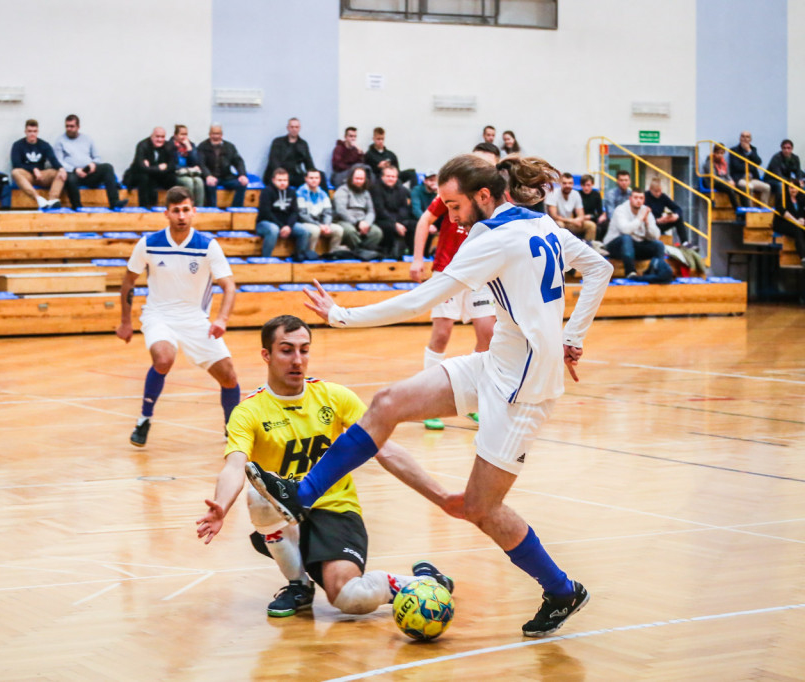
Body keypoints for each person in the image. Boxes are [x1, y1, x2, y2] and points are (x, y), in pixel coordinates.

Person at [245, 153, 613, 639]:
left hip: (523, 389)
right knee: (387, 403)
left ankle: (563, 590)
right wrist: (573, 336)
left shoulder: (496, 239)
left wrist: (341, 316)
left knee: (481, 510)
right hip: (498, 363)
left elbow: (419, 300)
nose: (450, 214)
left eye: (455, 204)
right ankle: (302, 494)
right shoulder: (536, 225)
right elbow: (600, 267)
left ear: (484, 196)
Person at [196, 315, 455, 617]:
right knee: (258, 494)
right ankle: (298, 586)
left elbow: (386, 451)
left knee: (350, 598)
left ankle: (424, 581)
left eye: (304, 350)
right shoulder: (248, 412)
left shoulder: (334, 397)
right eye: (286, 350)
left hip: (334, 509)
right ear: (266, 355)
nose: (297, 360)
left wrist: (442, 497)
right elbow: (234, 466)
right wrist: (222, 506)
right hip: (287, 515)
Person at [116, 186, 240, 447]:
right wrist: (126, 322)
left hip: (196, 319)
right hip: (158, 315)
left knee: (229, 376)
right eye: (176, 211)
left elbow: (229, 285)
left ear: (194, 212)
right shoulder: (148, 243)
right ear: (166, 214)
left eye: (186, 210)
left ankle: (233, 430)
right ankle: (144, 420)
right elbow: (128, 282)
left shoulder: (208, 246)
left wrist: (222, 319)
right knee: (164, 358)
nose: (181, 216)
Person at [409, 144, 501, 430]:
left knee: (488, 333)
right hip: (448, 269)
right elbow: (425, 219)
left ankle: (474, 399)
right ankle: (428, 402)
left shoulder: (494, 200)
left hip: (481, 275)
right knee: (442, 333)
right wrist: (417, 258)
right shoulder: (453, 191)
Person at [53, 114, 124, 210]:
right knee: (70, 178)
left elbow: (97, 157)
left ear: (78, 127)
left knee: (107, 167)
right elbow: (59, 161)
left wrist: (93, 164)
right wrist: (75, 170)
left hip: (88, 172)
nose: (69, 129)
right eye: (67, 126)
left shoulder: (87, 139)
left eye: (72, 126)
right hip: (73, 173)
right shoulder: (60, 141)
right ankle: (77, 207)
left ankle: (114, 202)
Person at [605, 187, 665, 278]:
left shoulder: (646, 211)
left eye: (641, 198)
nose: (638, 200)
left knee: (659, 245)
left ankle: (655, 272)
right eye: (635, 197)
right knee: (626, 238)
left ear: (644, 200)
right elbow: (625, 230)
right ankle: (630, 272)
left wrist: (647, 224)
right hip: (615, 246)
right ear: (630, 199)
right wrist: (640, 218)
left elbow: (656, 236)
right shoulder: (621, 210)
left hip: (634, 246)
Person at [256, 169, 314, 261]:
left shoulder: (291, 192)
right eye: (280, 180)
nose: (283, 183)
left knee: (304, 231)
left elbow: (295, 212)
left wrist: (289, 227)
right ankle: (266, 259)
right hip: (265, 223)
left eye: (285, 180)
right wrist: (281, 226)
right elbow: (266, 213)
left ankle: (298, 257)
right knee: (273, 230)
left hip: (286, 224)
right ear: (273, 180)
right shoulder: (266, 192)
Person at [10, 119, 65, 210]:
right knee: (15, 172)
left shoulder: (44, 145)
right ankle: (39, 199)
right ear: (25, 132)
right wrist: (33, 169)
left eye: (34, 131)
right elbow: (16, 164)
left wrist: (61, 168)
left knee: (60, 172)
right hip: (27, 176)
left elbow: (53, 160)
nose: (32, 134)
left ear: (37, 132)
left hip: (41, 175)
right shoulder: (18, 145)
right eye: (30, 131)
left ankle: (52, 200)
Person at [333, 165, 382, 253]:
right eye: (357, 178)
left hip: (363, 221)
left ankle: (363, 251)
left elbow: (371, 211)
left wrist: (367, 223)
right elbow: (341, 210)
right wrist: (357, 223)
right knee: (350, 232)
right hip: (345, 221)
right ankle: (360, 251)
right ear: (351, 178)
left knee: (377, 232)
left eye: (361, 179)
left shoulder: (366, 193)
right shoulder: (342, 190)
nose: (359, 181)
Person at [198, 124, 249, 208]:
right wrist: (208, 176)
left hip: (226, 177)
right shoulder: (203, 146)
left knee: (242, 184)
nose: (216, 136)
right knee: (210, 185)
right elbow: (201, 164)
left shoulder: (230, 147)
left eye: (218, 134)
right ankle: (213, 210)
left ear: (222, 135)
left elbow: (238, 162)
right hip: (210, 177)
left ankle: (235, 209)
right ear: (209, 134)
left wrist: (242, 175)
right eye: (213, 133)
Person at [371, 165, 416, 258]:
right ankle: (390, 255)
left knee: (414, 225)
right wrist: (395, 223)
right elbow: (380, 210)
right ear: (382, 177)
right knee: (390, 227)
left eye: (393, 177)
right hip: (381, 220)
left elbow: (404, 208)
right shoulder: (375, 189)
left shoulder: (401, 190)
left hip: (398, 219)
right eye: (388, 176)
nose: (391, 179)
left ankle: (413, 254)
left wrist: (399, 222)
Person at [127, 127, 176, 208]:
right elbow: (141, 167)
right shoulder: (142, 145)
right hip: (139, 175)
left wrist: (151, 168)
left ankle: (172, 206)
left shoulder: (169, 146)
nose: (160, 139)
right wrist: (158, 168)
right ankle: (144, 207)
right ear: (151, 136)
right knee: (145, 177)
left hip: (158, 175)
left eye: (162, 137)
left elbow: (172, 166)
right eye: (157, 136)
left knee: (172, 178)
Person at [297, 169, 343, 255]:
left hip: (321, 223)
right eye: (311, 178)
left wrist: (326, 225)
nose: (314, 180)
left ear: (320, 179)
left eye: (316, 178)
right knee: (315, 230)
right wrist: (319, 225)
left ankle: (333, 254)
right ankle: (310, 254)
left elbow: (328, 212)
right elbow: (302, 215)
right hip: (305, 222)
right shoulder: (300, 193)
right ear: (306, 179)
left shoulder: (323, 193)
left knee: (338, 230)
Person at [265, 118, 318, 188]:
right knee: (282, 180)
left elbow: (308, 162)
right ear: (288, 128)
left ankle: (325, 198)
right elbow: (273, 161)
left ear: (299, 128)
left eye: (296, 127)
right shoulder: (278, 142)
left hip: (295, 174)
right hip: (279, 174)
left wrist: (314, 174)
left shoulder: (303, 144)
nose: (294, 129)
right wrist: (282, 175)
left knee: (320, 176)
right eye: (292, 127)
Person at [547, 172, 594, 242]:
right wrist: (572, 220)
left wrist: (579, 219)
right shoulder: (553, 193)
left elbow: (581, 213)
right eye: (564, 183)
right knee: (560, 224)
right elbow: (554, 216)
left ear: (573, 184)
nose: (567, 185)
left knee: (591, 225)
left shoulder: (576, 194)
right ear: (560, 183)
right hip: (555, 223)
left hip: (570, 223)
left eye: (570, 183)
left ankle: (588, 247)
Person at [729, 131, 770, 205]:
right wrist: (751, 166)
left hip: (752, 178)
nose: (745, 139)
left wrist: (749, 151)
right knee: (749, 187)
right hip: (740, 179)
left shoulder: (753, 149)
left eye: (747, 137)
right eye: (743, 136)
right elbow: (736, 166)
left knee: (767, 187)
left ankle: (764, 209)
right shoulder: (734, 150)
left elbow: (758, 162)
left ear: (750, 139)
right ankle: (750, 210)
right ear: (740, 138)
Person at [644, 177, 689, 245]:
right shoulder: (644, 197)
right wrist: (657, 220)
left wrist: (675, 215)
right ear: (650, 189)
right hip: (648, 225)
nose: (658, 193)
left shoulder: (663, 197)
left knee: (679, 219)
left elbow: (678, 208)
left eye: (660, 191)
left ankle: (685, 242)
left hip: (660, 223)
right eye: (656, 191)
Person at [168, 124, 205, 207]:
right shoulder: (169, 146)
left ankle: (199, 208)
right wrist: (185, 169)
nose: (184, 137)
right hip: (177, 174)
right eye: (182, 134)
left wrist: (189, 149)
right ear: (175, 135)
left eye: (186, 134)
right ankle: (188, 207)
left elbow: (195, 162)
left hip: (190, 173)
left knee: (199, 182)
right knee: (188, 182)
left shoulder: (191, 145)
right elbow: (172, 164)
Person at [772, 184, 805, 266]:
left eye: (795, 188)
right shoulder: (782, 198)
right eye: (791, 188)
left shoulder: (801, 198)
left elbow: (802, 213)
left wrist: (802, 219)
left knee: (800, 229)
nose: (793, 190)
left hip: (795, 223)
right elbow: (783, 212)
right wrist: (796, 221)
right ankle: (803, 257)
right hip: (782, 223)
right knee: (797, 229)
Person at [702, 145, 742, 212]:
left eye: (721, 153)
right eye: (718, 153)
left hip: (724, 181)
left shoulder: (724, 162)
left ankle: (746, 209)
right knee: (730, 189)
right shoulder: (709, 162)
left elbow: (727, 174)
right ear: (714, 153)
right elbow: (714, 177)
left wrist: (730, 180)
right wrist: (727, 182)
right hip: (714, 183)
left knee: (741, 188)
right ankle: (737, 209)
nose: (719, 155)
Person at [600, 169, 632, 240]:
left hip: (629, 221)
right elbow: (611, 214)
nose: (624, 182)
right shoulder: (611, 194)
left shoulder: (632, 194)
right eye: (621, 180)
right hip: (614, 222)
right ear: (617, 181)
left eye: (626, 180)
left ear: (629, 182)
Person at [578, 175, 604, 240]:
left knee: (602, 226)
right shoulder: (577, 194)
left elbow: (600, 212)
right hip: (579, 219)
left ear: (592, 184)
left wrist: (591, 216)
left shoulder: (596, 195)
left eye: (588, 185)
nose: (586, 188)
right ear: (581, 185)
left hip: (592, 218)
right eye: (584, 185)